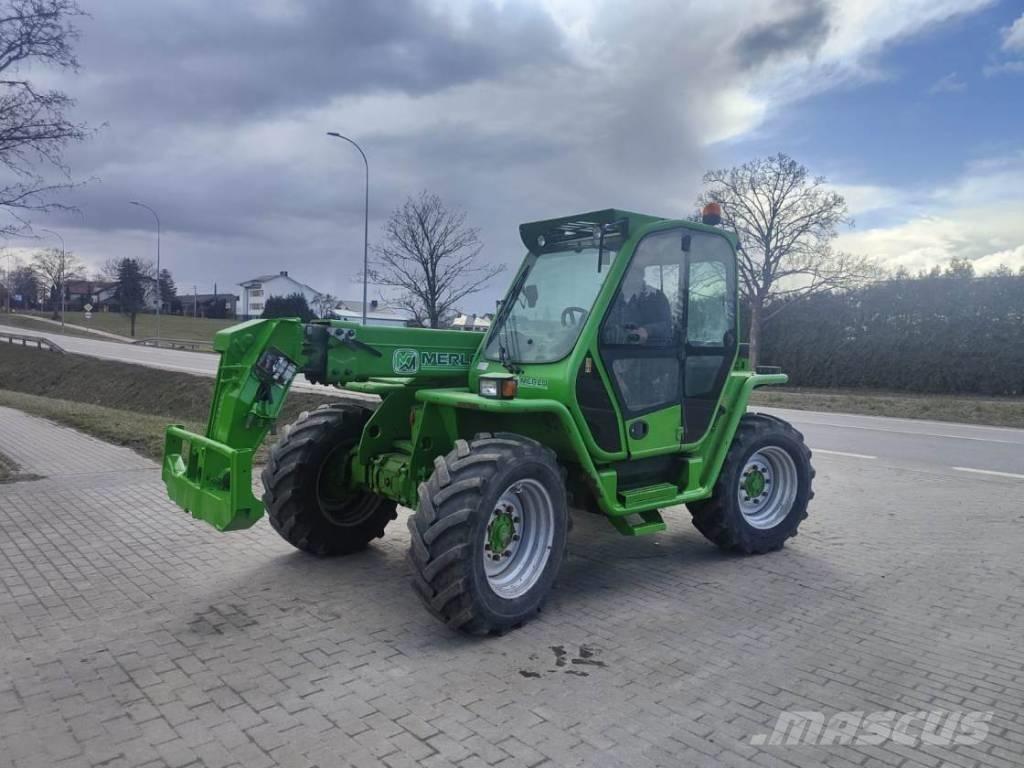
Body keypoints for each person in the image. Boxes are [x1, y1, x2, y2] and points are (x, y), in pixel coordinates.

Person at [607, 267, 673, 345]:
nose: (631, 278)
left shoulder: (656, 297)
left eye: (635, 273)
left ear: (642, 275)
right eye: (627, 274)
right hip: (611, 350)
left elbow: (668, 326)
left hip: (647, 352)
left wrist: (647, 330)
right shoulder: (611, 299)